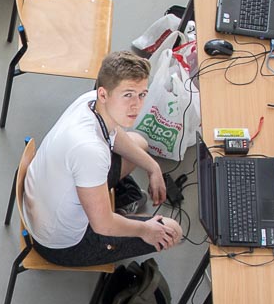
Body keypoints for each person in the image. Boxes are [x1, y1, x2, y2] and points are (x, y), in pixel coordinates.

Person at [21, 52, 181, 266]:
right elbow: (103, 225)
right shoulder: (90, 151)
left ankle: (119, 210)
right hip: (61, 245)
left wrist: (153, 167)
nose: (136, 105)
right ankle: (120, 214)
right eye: (128, 95)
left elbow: (114, 134)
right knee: (172, 230)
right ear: (104, 94)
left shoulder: (90, 101)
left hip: (43, 206)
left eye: (142, 94)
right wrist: (145, 230)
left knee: (139, 143)